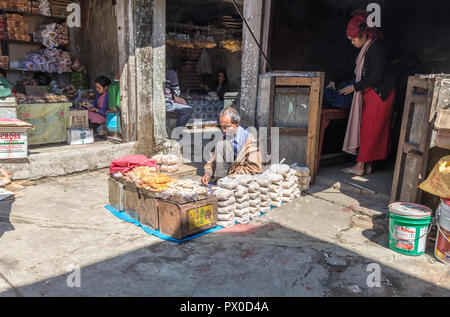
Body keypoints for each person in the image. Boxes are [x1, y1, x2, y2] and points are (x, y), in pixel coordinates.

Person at [338, 10, 396, 176]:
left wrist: (354, 87)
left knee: (369, 130)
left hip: (380, 94)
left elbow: (376, 75)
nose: (352, 43)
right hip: (375, 93)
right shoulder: (368, 47)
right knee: (374, 129)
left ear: (364, 34)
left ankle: (360, 166)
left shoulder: (375, 48)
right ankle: (368, 165)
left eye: (354, 39)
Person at [201, 107, 262, 185]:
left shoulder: (248, 140)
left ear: (237, 124)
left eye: (227, 127)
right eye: (221, 127)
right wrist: (208, 173)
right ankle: (219, 182)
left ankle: (222, 183)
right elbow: (214, 160)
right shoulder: (224, 136)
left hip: (241, 182)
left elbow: (254, 169)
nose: (224, 130)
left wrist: (230, 177)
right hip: (224, 179)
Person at [166, 55, 193, 128]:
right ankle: (176, 132)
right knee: (188, 109)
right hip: (167, 105)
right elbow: (177, 92)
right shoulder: (171, 73)